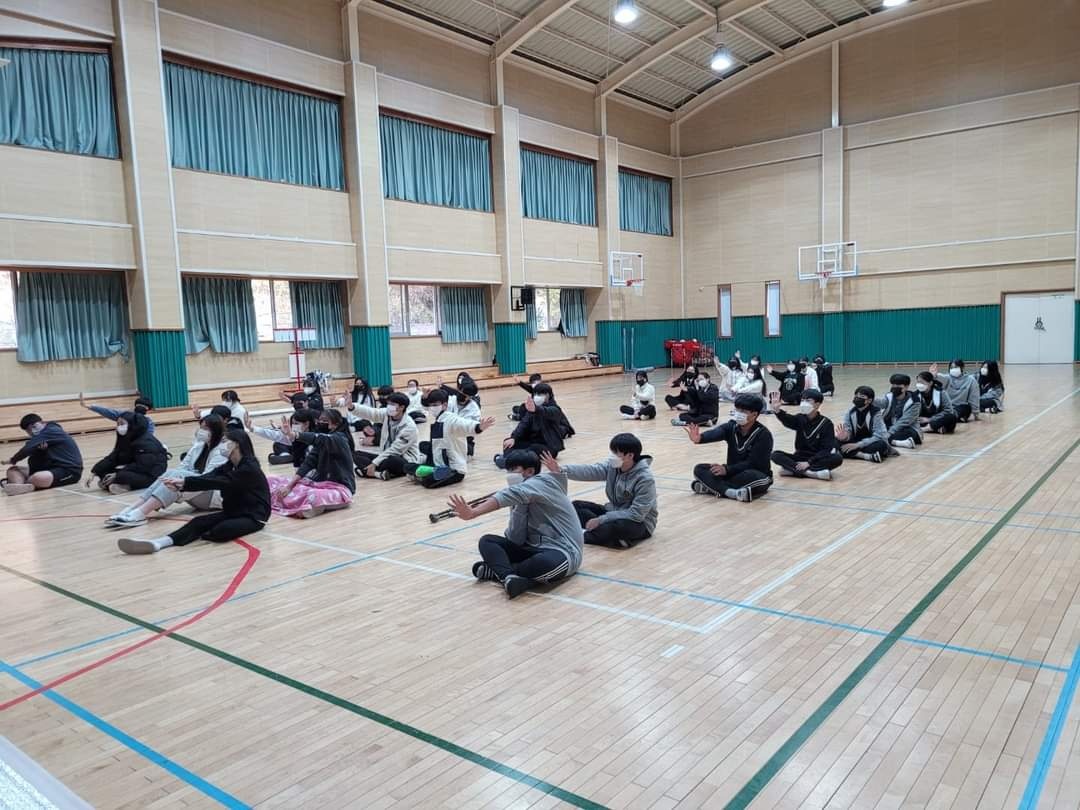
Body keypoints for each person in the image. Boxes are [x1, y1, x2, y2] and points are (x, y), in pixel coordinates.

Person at [449, 449, 583, 600]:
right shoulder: (521, 495)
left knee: (544, 563)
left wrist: (474, 512)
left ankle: (501, 572)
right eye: (508, 470)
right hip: (531, 549)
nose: (509, 474)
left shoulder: (543, 482)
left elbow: (505, 496)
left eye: (513, 469)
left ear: (530, 471)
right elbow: (516, 539)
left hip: (562, 551)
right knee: (487, 541)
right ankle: (509, 577)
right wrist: (520, 506)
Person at [117, 430, 270, 555]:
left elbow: (220, 482)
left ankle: (204, 533)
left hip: (254, 516)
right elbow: (209, 477)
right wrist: (182, 483)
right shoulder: (229, 465)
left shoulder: (249, 468)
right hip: (234, 511)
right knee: (198, 522)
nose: (222, 445)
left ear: (236, 444)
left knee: (220, 531)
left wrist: (186, 483)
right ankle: (158, 543)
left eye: (225, 441)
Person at [105, 414, 228, 527]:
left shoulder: (221, 451)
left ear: (216, 431)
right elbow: (183, 467)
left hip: (211, 494)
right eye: (201, 427)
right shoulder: (198, 446)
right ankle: (131, 509)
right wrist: (176, 479)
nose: (201, 431)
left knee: (177, 475)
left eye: (206, 428)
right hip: (194, 489)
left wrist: (183, 482)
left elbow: (209, 479)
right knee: (171, 473)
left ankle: (140, 513)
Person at [545, 434, 657, 549]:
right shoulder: (613, 467)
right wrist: (562, 470)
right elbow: (591, 470)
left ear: (630, 455)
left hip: (639, 522)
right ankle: (607, 536)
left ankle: (580, 536)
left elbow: (636, 514)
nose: (612, 456)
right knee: (577, 506)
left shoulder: (645, 479)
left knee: (616, 527)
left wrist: (601, 519)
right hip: (613, 511)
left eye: (616, 453)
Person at [265, 409, 355, 518]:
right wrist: (289, 486)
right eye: (320, 420)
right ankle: (301, 504)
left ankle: (312, 506)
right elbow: (307, 464)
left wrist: (294, 434)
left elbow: (318, 438)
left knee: (314, 495)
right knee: (271, 480)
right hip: (317, 484)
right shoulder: (321, 443)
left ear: (334, 424)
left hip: (339, 489)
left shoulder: (339, 439)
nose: (320, 423)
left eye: (324, 421)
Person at [685, 393, 773, 502]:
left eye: (743, 411)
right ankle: (730, 492)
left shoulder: (763, 435)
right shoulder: (731, 426)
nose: (738, 413)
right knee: (700, 469)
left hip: (754, 473)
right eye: (737, 409)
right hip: (731, 473)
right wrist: (700, 438)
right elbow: (717, 432)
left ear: (754, 414)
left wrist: (726, 470)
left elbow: (752, 463)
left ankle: (712, 487)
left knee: (753, 477)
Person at [407, 389, 496, 488]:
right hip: (438, 463)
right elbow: (424, 407)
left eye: (435, 405)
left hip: (454, 469)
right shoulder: (439, 419)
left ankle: (424, 474)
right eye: (431, 405)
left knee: (428, 481)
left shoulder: (451, 419)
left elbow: (465, 424)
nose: (432, 408)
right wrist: (424, 398)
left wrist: (478, 427)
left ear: (444, 405)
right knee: (407, 466)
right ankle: (432, 471)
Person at [2, 414, 83, 495]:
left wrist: (13, 460)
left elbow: (27, 449)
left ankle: (24, 484)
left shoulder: (51, 431)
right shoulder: (39, 439)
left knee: (38, 477)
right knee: (13, 470)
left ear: (42, 423)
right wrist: (40, 451)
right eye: (29, 430)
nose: (32, 432)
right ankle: (19, 486)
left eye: (34, 427)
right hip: (50, 469)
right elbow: (34, 464)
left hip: (69, 471)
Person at [86, 412, 168, 493]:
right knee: (104, 471)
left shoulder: (147, 442)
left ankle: (127, 486)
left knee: (122, 475)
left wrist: (117, 474)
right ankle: (113, 483)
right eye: (118, 424)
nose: (119, 427)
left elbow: (143, 466)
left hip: (151, 474)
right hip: (135, 469)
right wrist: (94, 472)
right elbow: (113, 457)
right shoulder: (126, 438)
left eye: (122, 424)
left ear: (132, 425)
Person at [770, 389, 842, 481]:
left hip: (817, 458)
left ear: (817, 404)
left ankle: (793, 470)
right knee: (775, 455)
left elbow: (826, 449)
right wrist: (777, 411)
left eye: (808, 400)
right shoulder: (800, 418)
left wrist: (809, 462)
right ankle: (810, 473)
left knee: (837, 458)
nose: (804, 403)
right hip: (799, 457)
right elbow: (788, 420)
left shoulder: (826, 423)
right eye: (802, 400)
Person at [350, 392, 422, 480]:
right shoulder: (387, 414)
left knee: (393, 460)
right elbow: (371, 413)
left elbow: (395, 450)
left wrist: (374, 463)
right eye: (388, 403)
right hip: (385, 455)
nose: (389, 406)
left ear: (402, 407)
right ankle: (379, 473)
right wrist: (352, 407)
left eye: (392, 404)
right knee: (355, 454)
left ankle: (372, 472)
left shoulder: (409, 427)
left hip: (404, 459)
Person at [494, 383, 566, 466]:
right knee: (508, 442)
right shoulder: (531, 410)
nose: (537, 396)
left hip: (549, 447)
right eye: (535, 394)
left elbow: (547, 411)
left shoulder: (555, 409)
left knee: (533, 449)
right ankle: (510, 459)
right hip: (531, 442)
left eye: (540, 394)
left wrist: (536, 409)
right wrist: (514, 438)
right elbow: (523, 423)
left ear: (548, 395)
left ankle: (508, 460)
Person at [836, 386, 890, 463]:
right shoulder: (850, 412)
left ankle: (848, 453)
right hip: (855, 441)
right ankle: (866, 456)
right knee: (834, 441)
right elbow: (848, 430)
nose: (857, 398)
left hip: (870, 442)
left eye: (862, 396)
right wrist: (845, 437)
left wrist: (858, 445)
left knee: (881, 445)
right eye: (856, 395)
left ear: (869, 400)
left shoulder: (876, 414)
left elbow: (879, 435)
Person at [876, 373, 922, 450]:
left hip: (906, 428)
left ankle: (886, 440)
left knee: (908, 433)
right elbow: (882, 403)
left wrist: (889, 433)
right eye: (893, 385)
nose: (894, 387)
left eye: (898, 385)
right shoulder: (889, 396)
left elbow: (905, 421)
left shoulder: (914, 401)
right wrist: (870, 398)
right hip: (890, 427)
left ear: (906, 387)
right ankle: (899, 443)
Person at [80, 394, 156, 434]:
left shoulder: (149, 422)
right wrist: (89, 406)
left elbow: (108, 412)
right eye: (139, 405)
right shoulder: (125, 415)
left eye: (143, 406)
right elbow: (107, 411)